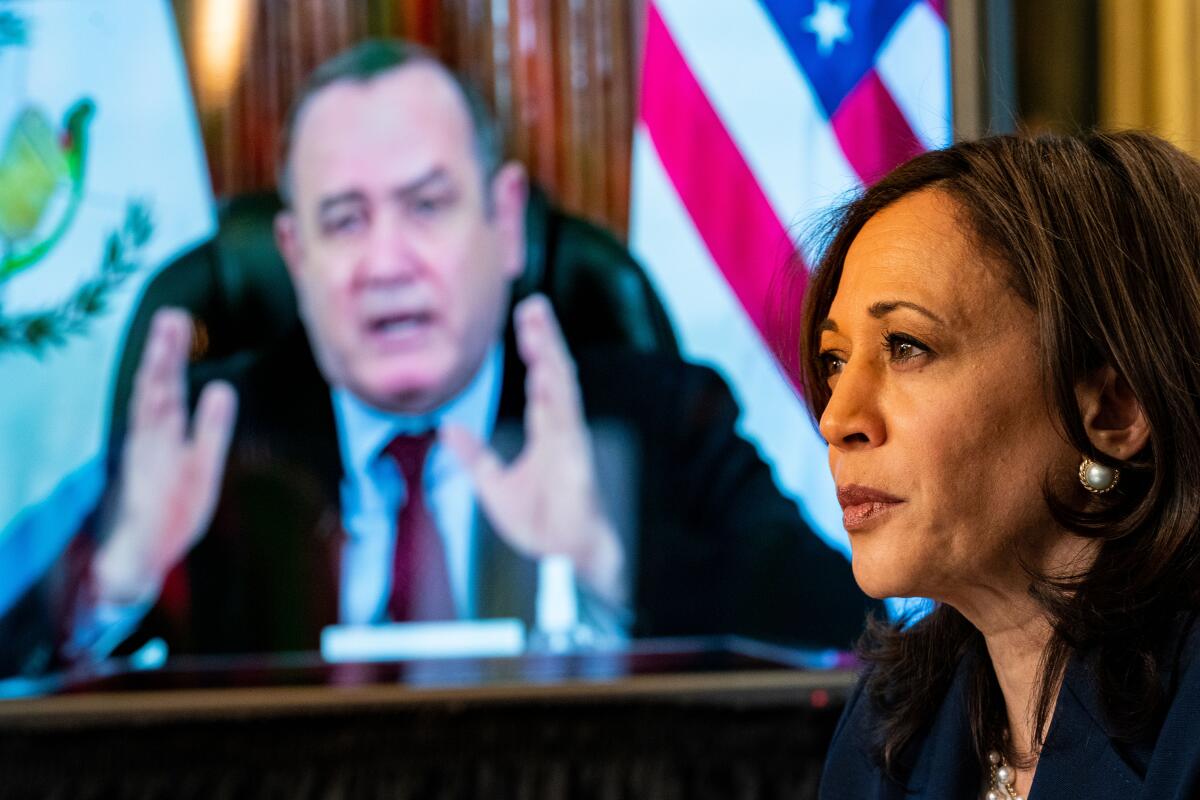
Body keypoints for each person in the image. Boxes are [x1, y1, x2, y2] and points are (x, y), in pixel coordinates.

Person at [0, 39, 872, 674]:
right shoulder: (203, 443)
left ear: (503, 221)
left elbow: (852, 647)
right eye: (344, 221)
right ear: (295, 257)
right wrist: (110, 583)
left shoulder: (657, 418)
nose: (386, 262)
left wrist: (615, 566)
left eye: (426, 205)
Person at [806, 131, 1200, 799]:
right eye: (835, 362)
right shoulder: (893, 714)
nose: (837, 419)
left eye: (906, 346)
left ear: (1115, 408)